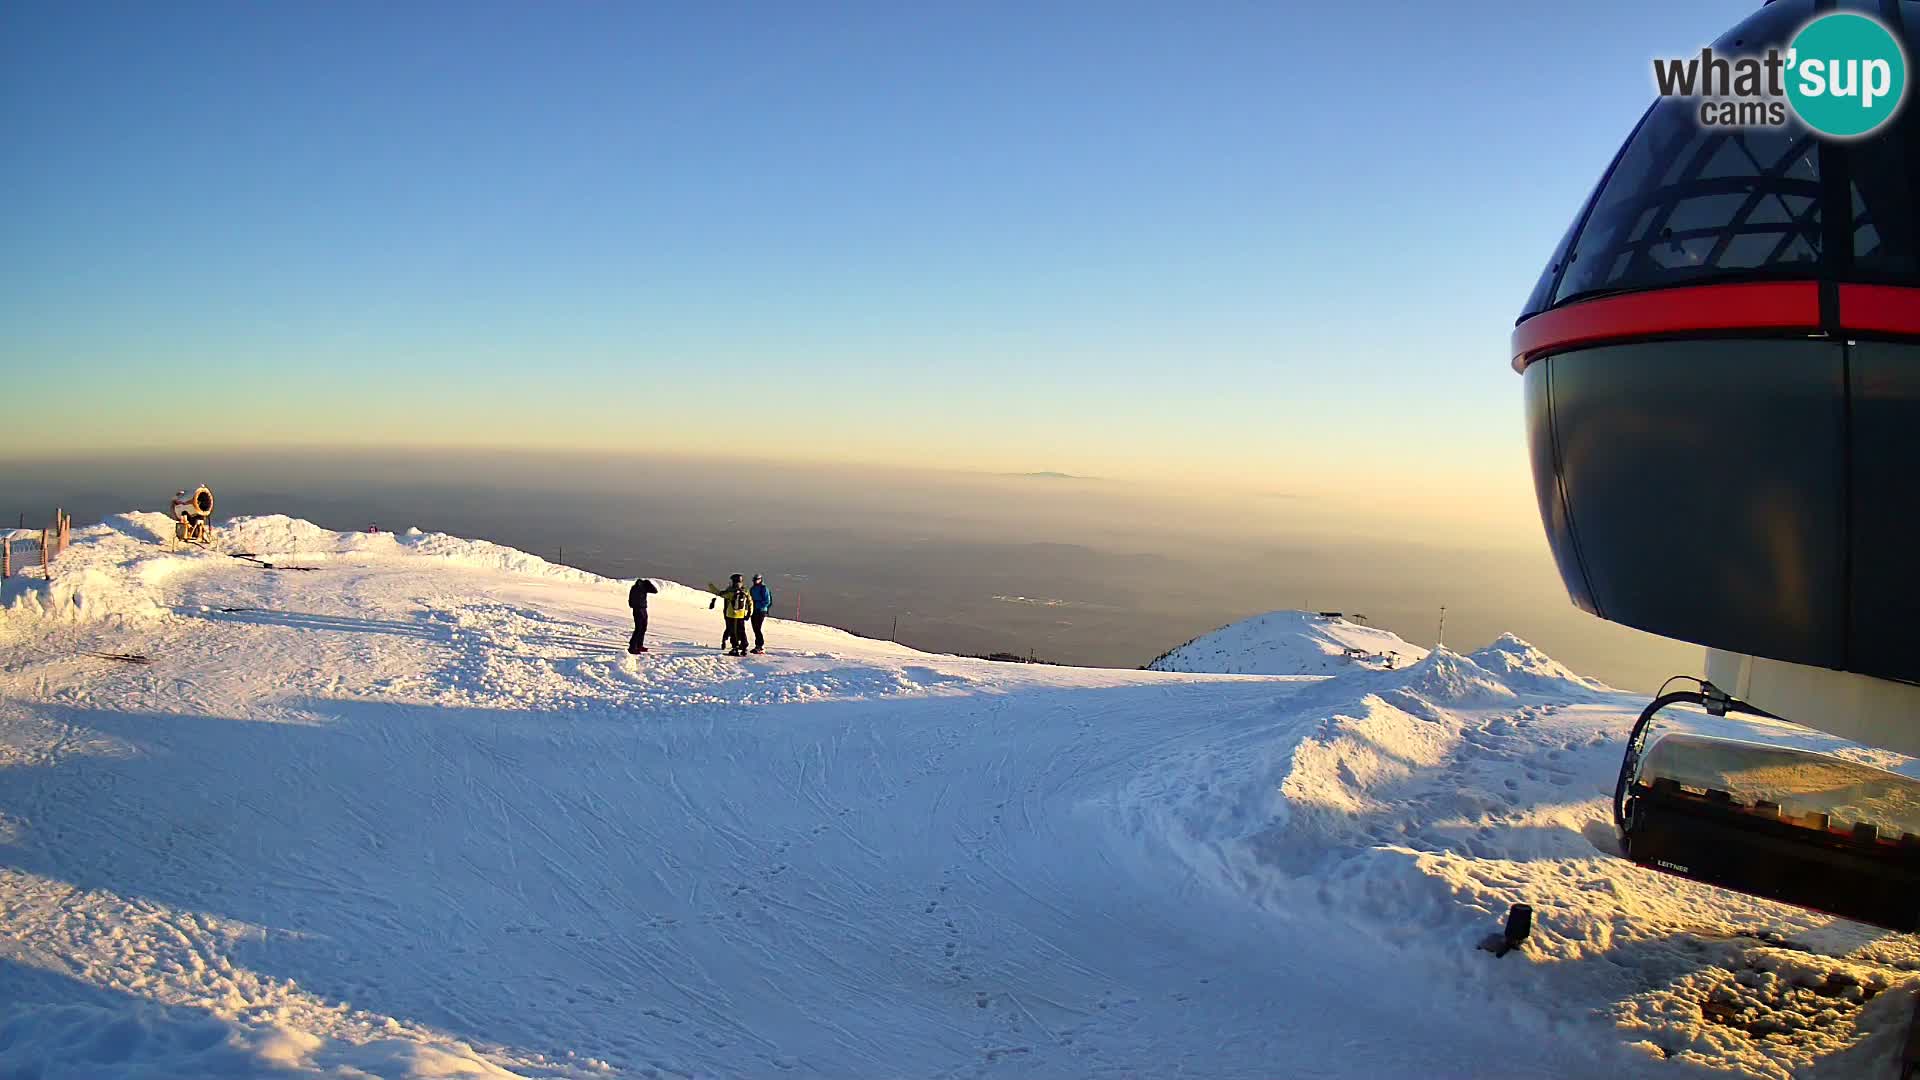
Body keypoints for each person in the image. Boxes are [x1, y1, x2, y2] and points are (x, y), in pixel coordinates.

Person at [706, 574, 753, 656]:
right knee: (742, 631)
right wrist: (749, 613)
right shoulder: (745, 591)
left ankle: (735, 648)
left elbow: (719, 593)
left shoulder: (730, 592)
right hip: (741, 615)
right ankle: (744, 648)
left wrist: (710, 585)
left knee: (733, 632)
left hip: (731, 615)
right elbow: (750, 602)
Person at [628, 577, 659, 654]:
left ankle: (639, 645)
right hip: (637, 609)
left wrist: (649, 584)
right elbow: (631, 599)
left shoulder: (644, 587)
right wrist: (635, 606)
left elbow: (655, 591)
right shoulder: (635, 588)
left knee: (643, 628)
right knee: (638, 628)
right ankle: (632, 647)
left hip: (643, 608)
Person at [749, 573, 773, 654]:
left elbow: (767, 601)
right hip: (753, 610)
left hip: (761, 610)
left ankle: (761, 646)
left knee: (758, 628)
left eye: (757, 579)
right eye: (755, 580)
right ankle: (757, 646)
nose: (756, 581)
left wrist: (757, 604)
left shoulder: (764, 588)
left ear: (760, 580)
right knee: (755, 628)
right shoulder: (752, 589)